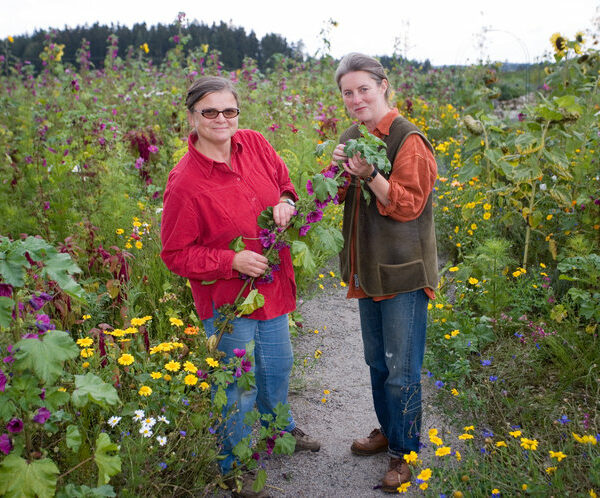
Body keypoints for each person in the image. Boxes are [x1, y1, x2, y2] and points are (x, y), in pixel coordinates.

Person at [160, 75, 319, 496]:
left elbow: (284, 181)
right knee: (236, 385)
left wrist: (286, 201)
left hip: (271, 286)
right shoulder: (186, 181)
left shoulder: (255, 144)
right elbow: (175, 254)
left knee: (278, 365)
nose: (221, 119)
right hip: (228, 299)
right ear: (192, 117)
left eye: (229, 110)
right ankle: (230, 465)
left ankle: (277, 429)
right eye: (209, 111)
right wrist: (231, 260)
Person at [331, 53, 438, 492]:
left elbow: (408, 205)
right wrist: (339, 170)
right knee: (377, 362)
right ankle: (390, 432)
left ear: (383, 85)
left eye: (363, 89)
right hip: (368, 271)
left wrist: (371, 172)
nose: (355, 99)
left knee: (402, 369)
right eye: (347, 92)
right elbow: (340, 197)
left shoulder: (408, 138)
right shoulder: (354, 135)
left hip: (403, 273)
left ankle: (403, 453)